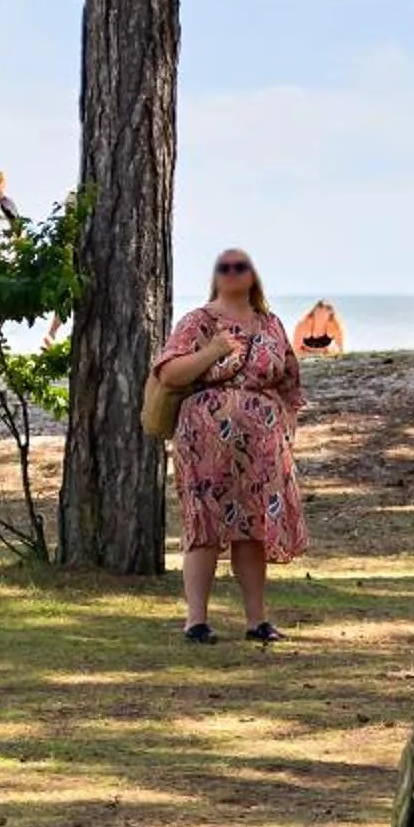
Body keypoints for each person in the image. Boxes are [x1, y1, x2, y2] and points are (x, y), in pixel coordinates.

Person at [150, 247, 306, 644]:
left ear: (253, 275)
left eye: (241, 266)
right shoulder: (198, 322)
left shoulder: (271, 324)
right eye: (225, 267)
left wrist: (287, 429)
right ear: (215, 275)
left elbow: (289, 383)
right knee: (204, 524)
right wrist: (214, 351)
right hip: (204, 442)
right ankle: (196, 621)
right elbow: (168, 374)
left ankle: (257, 621)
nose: (233, 273)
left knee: (253, 527)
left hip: (262, 444)